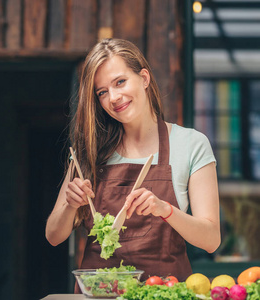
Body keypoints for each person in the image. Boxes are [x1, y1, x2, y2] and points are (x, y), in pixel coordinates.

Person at [45, 38, 220, 291]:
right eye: (102, 92)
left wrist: (165, 209)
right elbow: (53, 236)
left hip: (163, 292)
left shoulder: (191, 144)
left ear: (145, 78)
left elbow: (211, 240)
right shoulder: (89, 152)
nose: (114, 98)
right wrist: (70, 206)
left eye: (120, 82)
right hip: (100, 294)